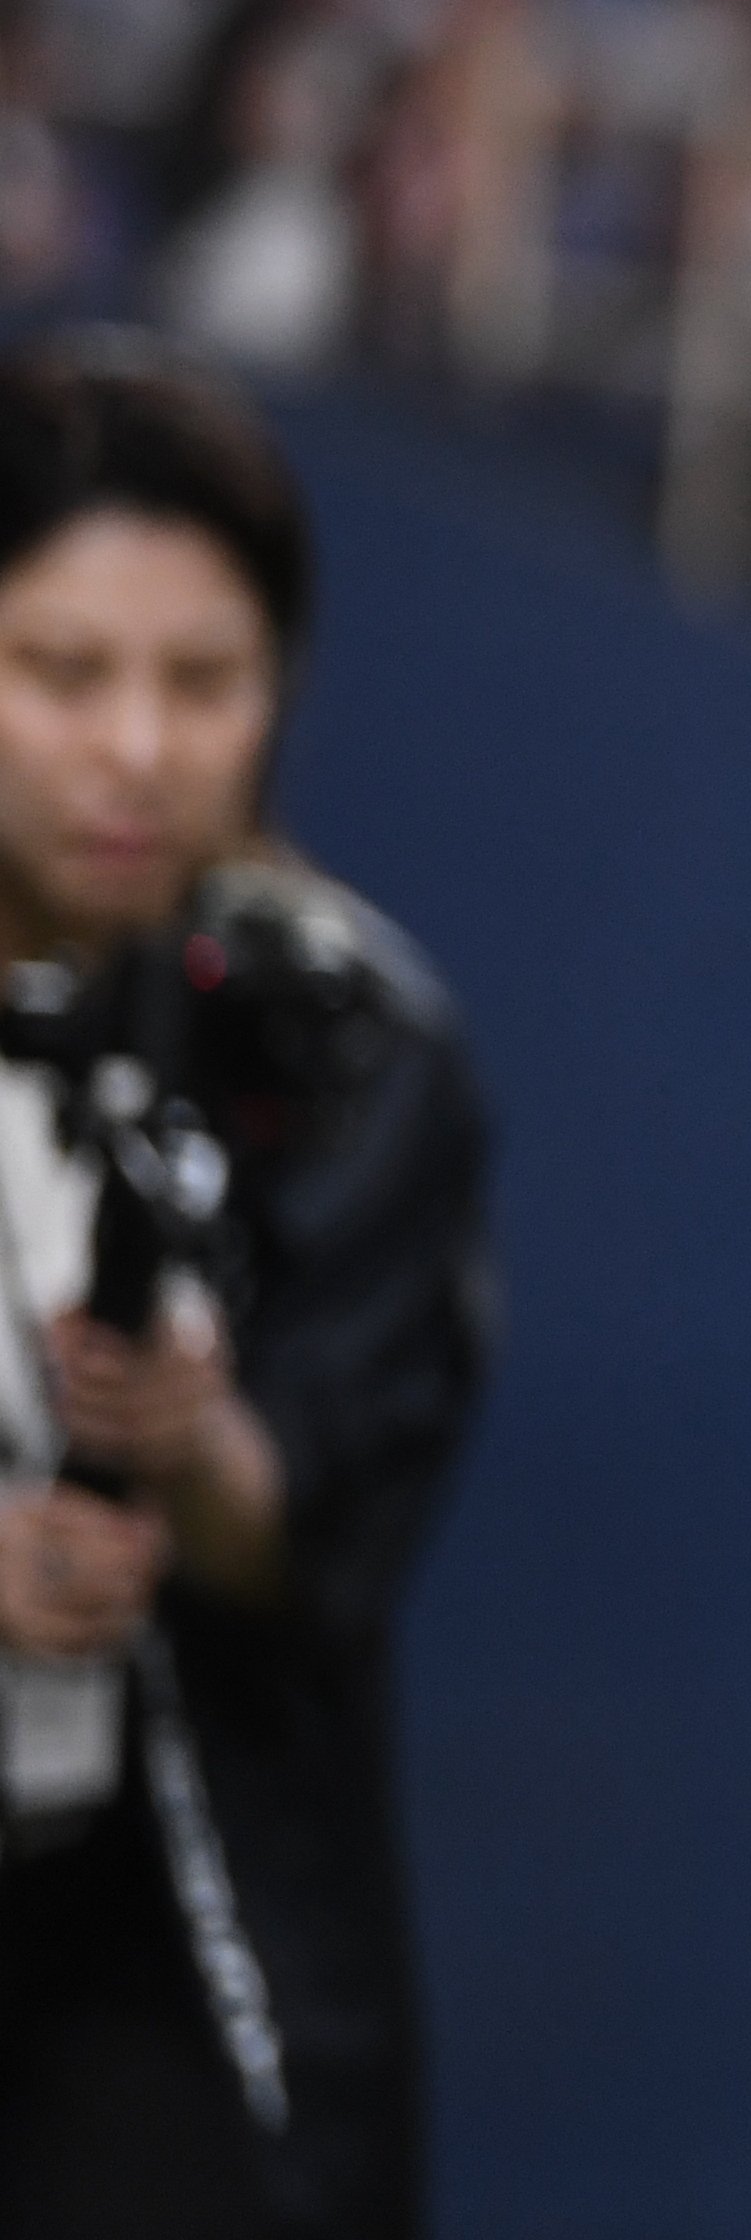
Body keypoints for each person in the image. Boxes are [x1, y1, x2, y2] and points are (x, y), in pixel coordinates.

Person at [0, 345, 493, 2236]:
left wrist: (191, 1453)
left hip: (168, 1974)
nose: (136, 748)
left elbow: (324, 1518)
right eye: (62, 674)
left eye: (203, 683)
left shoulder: (342, 1036)